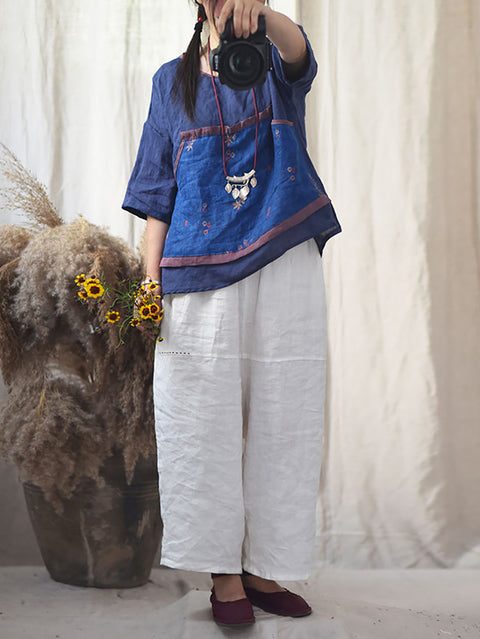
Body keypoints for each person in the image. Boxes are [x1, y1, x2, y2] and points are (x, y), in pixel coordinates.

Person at [122, 0, 341, 628]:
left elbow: (303, 53)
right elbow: (157, 188)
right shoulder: (171, 80)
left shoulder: (272, 61)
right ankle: (223, 575)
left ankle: (265, 567)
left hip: (283, 255)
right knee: (201, 418)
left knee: (286, 410)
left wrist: (263, 12)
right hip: (195, 269)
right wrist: (148, 281)